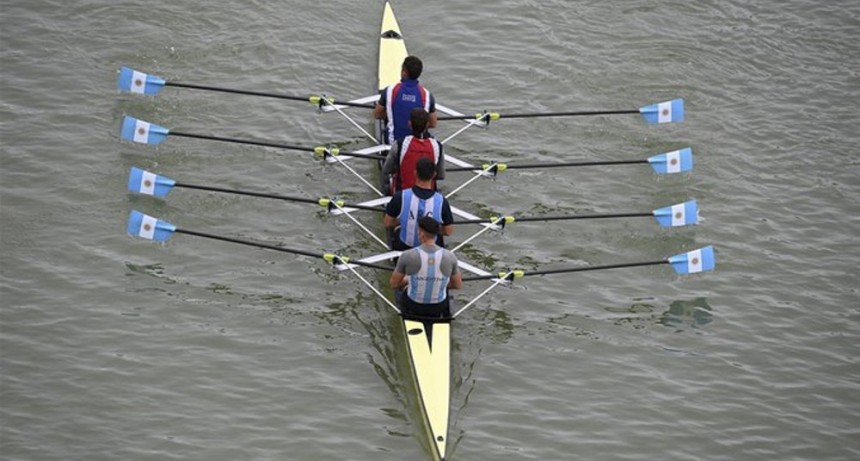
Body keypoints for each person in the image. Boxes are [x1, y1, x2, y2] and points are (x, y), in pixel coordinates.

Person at [390, 216, 462, 318]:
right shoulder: (450, 257)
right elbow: (457, 285)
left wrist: (408, 280)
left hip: (413, 305)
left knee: (403, 287)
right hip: (438, 307)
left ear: (421, 234)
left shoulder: (408, 255)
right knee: (444, 289)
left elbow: (394, 284)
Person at [383, 157, 454, 251]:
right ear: (434, 175)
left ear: (415, 173)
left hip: (405, 248)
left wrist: (403, 221)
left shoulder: (400, 196)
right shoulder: (442, 201)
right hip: (430, 250)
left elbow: (387, 222)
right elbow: (448, 231)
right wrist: (431, 230)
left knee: (396, 230)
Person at [374, 55, 438, 144]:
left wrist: (393, 114)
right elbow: (433, 123)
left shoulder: (389, 90)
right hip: (417, 144)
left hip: (393, 143)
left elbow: (377, 115)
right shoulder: (427, 95)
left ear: (404, 73)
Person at [381, 107, 445, 194]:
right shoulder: (437, 146)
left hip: (401, 196)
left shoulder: (400, 144)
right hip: (429, 196)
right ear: (427, 125)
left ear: (409, 124)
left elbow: (386, 171)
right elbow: (440, 175)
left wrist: (387, 191)